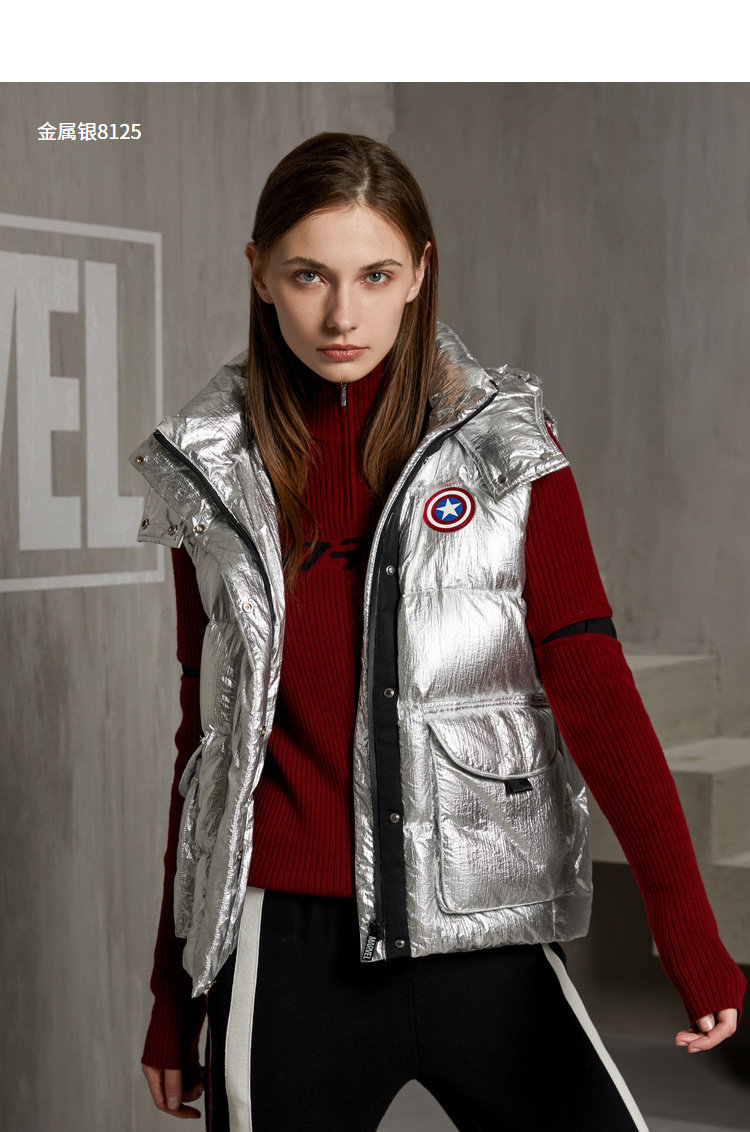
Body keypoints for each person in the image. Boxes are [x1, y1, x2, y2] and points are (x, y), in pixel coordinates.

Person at [131, 132, 745, 1131]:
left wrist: (684, 925)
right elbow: (206, 745)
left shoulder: (506, 449)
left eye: (375, 275)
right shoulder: (210, 472)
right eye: (309, 275)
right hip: (286, 955)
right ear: (259, 273)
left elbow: (594, 685)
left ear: (419, 272)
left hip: (482, 928)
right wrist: (174, 992)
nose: (343, 314)